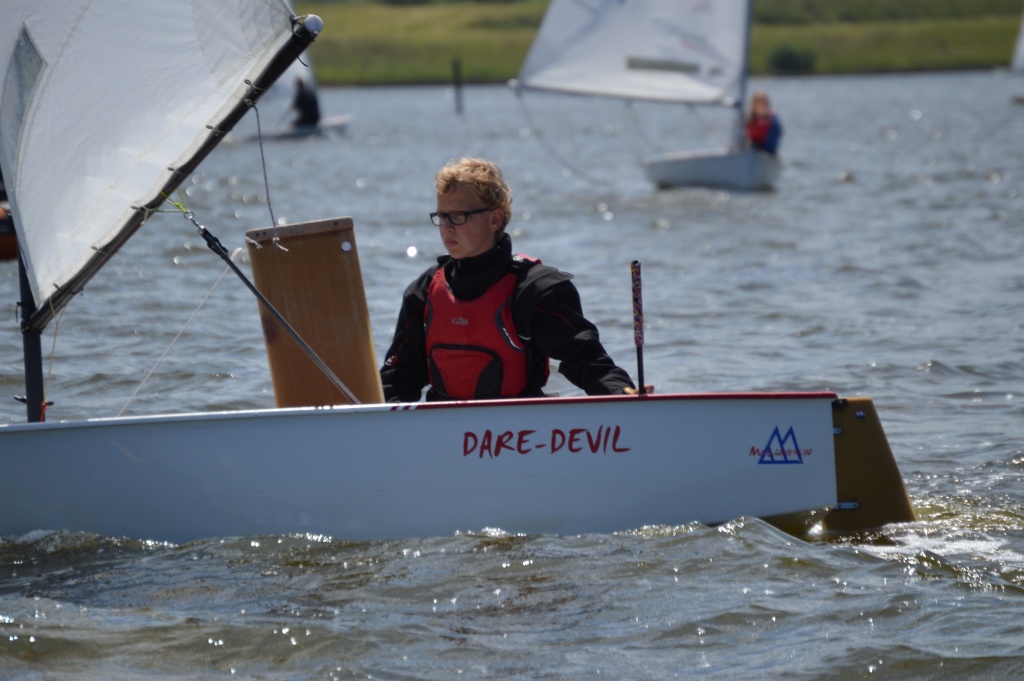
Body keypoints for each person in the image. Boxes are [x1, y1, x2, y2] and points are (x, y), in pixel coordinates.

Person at [380, 157, 638, 403]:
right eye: (441, 216)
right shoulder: (423, 291)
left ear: (495, 219)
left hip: (519, 428)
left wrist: (624, 395)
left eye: (457, 215)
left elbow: (586, 361)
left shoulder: (535, 290)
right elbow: (399, 378)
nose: (446, 227)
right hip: (443, 424)